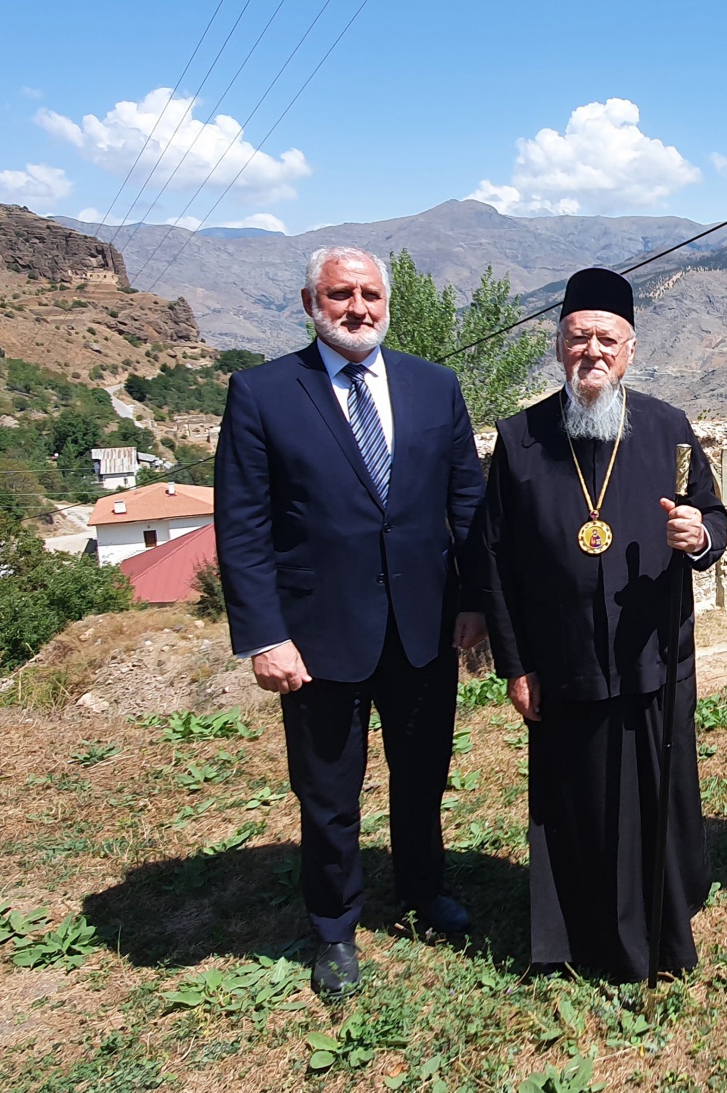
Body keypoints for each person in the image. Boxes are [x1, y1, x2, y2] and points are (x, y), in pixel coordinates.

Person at [214, 245, 487, 1001]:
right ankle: (334, 926)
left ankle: (423, 890)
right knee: (329, 790)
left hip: (425, 625)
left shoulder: (434, 386)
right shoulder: (264, 392)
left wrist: (475, 600)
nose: (357, 308)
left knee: (422, 774)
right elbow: (243, 525)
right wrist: (265, 635)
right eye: (340, 294)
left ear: (386, 302)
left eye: (370, 294)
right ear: (311, 303)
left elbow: (467, 501)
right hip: (318, 633)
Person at [470, 267, 726, 980]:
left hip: (653, 655)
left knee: (657, 790)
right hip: (564, 662)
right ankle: (579, 928)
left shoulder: (668, 428)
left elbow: (713, 513)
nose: (593, 352)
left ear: (630, 350)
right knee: (577, 796)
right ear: (559, 347)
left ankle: (665, 907)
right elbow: (494, 561)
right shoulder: (521, 440)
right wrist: (516, 666)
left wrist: (699, 536)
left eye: (607, 340)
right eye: (579, 338)